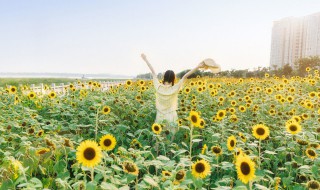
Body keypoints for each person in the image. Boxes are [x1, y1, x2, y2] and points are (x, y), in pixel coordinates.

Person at [141, 53, 204, 133]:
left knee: (159, 137)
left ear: (164, 77)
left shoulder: (158, 87)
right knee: (171, 138)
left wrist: (145, 59)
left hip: (160, 115)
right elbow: (185, 76)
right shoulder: (175, 88)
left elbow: (153, 72)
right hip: (171, 116)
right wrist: (198, 66)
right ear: (173, 78)